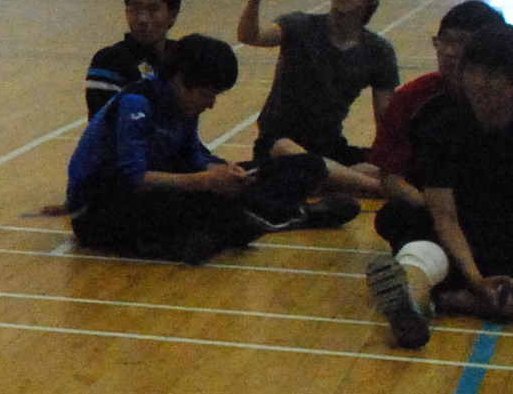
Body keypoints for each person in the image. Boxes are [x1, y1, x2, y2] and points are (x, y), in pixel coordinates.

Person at [363, 25, 513, 349]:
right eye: (473, 71)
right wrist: (474, 277)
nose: (480, 83)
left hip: (511, 234)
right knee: (409, 227)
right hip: (452, 240)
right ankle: (411, 305)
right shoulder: (441, 126)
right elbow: (445, 217)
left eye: (493, 75)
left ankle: (450, 300)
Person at [62, 35, 326, 262]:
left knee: (308, 165)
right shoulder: (137, 103)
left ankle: (248, 219)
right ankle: (279, 215)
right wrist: (205, 181)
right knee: (197, 202)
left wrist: (224, 172)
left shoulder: (185, 104)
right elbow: (133, 177)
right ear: (181, 79)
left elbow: (192, 156)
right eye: (207, 94)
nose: (210, 104)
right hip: (101, 207)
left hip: (162, 182)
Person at [234, 0, 395, 209]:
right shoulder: (299, 26)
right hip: (280, 143)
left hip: (330, 145)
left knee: (389, 168)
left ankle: (330, 179)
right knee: (286, 150)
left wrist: (389, 161)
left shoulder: (379, 51)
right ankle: (377, 188)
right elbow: (250, 36)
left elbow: (386, 121)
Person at [368, 0, 508, 252]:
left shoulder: (509, 99)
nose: (449, 52)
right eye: (445, 41)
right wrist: (440, 208)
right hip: (430, 205)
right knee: (395, 216)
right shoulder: (411, 98)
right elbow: (391, 180)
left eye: (461, 43)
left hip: (494, 207)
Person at [84, 0, 180, 116]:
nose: (142, 19)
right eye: (135, 9)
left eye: (152, 9)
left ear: (172, 15)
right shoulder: (109, 61)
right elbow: (107, 121)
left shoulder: (181, 57)